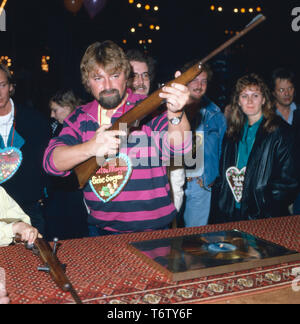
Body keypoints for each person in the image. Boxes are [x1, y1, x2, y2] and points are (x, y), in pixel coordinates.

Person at [43, 40, 191, 236]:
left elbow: (180, 149)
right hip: (101, 231)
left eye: (114, 75)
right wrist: (92, 147)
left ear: (126, 76)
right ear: (87, 82)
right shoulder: (79, 117)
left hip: (155, 231)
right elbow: (51, 162)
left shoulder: (148, 107)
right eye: (98, 78)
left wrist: (176, 112)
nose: (107, 85)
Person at [209, 73, 298, 224]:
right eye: (244, 96)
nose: (250, 101)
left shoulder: (282, 132)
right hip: (231, 214)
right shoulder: (232, 133)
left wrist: (262, 204)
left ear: (263, 99)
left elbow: (288, 183)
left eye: (255, 95)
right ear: (238, 101)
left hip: (263, 216)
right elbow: (223, 176)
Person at [0, 64, 50, 236]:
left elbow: (45, 165)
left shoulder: (35, 120)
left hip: (30, 209)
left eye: (2, 85)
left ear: (11, 87)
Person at [180, 62, 226, 227]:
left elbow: (222, 149)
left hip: (201, 184)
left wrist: (213, 175)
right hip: (172, 184)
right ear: (184, 81)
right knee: (168, 238)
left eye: (204, 81)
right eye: (194, 80)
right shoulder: (169, 109)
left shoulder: (215, 114)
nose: (199, 85)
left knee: (195, 239)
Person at [44, 90, 89, 240]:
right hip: (59, 188)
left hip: (77, 188)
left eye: (55, 110)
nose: (52, 115)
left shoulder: (84, 126)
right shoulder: (56, 126)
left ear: (68, 108)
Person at [271, 68, 300, 214]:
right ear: (273, 92)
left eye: (290, 88)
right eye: (282, 90)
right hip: (275, 188)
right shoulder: (267, 118)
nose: (287, 93)